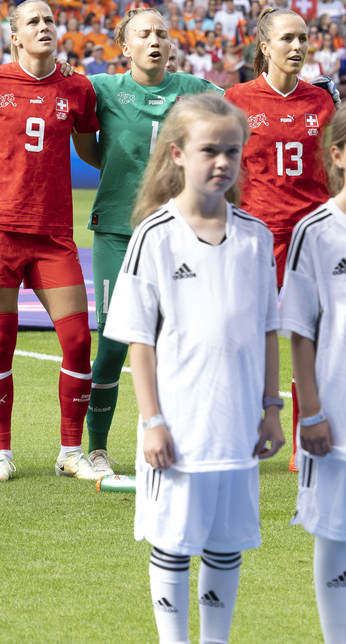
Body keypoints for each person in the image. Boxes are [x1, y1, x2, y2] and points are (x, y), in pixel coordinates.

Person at [104, 94, 284, 644]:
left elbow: (268, 329)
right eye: (210, 150)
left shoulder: (255, 236)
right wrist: (151, 420)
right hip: (178, 424)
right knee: (175, 540)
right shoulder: (154, 236)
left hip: (237, 424)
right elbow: (138, 337)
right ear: (178, 154)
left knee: (226, 540)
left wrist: (272, 409)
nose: (223, 162)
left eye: (233, 150)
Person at [0, 0, 100, 482]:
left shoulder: (77, 88)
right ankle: (1, 453)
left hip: (53, 233)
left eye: (49, 20)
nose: (44, 27)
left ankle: (71, 451)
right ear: (14, 36)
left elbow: (91, 151)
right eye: (33, 22)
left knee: (78, 340)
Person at [82, 9, 218, 476]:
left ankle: (167, 440)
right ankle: (95, 448)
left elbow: (243, 103)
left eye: (162, 33)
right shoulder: (102, 88)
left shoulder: (194, 90)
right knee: (115, 342)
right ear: (125, 46)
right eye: (144, 34)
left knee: (177, 340)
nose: (155, 40)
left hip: (178, 234)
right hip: (118, 230)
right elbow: (80, 134)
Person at [225, 7, 335, 469]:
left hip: (312, 236)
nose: (297, 46)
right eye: (287, 38)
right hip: (255, 235)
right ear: (265, 47)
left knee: (314, 337)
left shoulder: (323, 103)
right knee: (244, 335)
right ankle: (237, 433)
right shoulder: (236, 98)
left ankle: (302, 441)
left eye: (303, 38)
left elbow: (333, 172)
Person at [281, 107, 346, 644]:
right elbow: (300, 330)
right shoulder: (316, 231)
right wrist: (313, 414)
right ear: (339, 155)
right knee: (334, 536)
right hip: (337, 420)